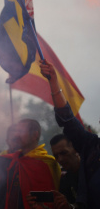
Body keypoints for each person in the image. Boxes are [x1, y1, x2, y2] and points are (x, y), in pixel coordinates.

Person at [38, 59, 100, 208]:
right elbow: (68, 120)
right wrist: (53, 82)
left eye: (64, 153)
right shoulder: (92, 148)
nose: (60, 159)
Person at [0, 117, 61, 208]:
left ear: (35, 135)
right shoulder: (10, 161)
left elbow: (54, 198)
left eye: (21, 131)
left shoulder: (47, 164)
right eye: (16, 132)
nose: (16, 135)